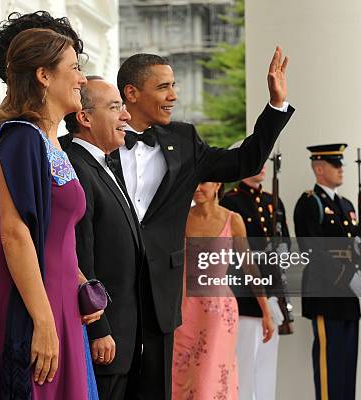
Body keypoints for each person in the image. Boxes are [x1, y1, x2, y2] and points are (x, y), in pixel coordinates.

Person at [110, 49, 294, 398]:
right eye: (164, 87)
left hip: (164, 299)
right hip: (110, 294)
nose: (174, 95)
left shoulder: (184, 140)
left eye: (174, 86)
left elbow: (244, 160)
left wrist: (275, 106)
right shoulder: (100, 140)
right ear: (132, 93)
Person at [0, 12, 87, 400]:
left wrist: (80, 285)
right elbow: (13, 232)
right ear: (44, 75)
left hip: (57, 296)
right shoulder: (21, 136)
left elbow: (57, 235)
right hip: (31, 300)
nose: (81, 79)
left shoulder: (49, 139)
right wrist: (43, 321)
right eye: (74, 68)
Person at [63, 77, 144, 399]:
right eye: (114, 108)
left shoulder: (103, 163)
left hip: (123, 334)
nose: (125, 116)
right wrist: (99, 328)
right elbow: (79, 254)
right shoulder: (76, 165)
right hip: (103, 337)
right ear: (84, 117)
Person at [173, 181, 274, 399]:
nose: (197, 187)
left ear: (218, 184)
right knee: (180, 375)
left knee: (210, 373)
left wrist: (265, 312)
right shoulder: (180, 217)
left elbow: (249, 267)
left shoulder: (233, 220)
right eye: (195, 181)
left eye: (204, 182)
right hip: (182, 309)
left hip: (218, 311)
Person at [294, 143, 361, 400]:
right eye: (335, 165)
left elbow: (355, 248)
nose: (341, 170)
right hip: (326, 296)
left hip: (348, 298)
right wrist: (349, 276)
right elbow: (313, 250)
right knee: (330, 366)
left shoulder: (347, 205)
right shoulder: (309, 203)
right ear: (319, 168)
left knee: (348, 364)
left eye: (341, 165)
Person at [220, 165, 291, 400]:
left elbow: (285, 241)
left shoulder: (274, 201)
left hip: (273, 292)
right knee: (245, 363)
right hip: (246, 297)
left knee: (267, 367)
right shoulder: (231, 202)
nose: (261, 167)